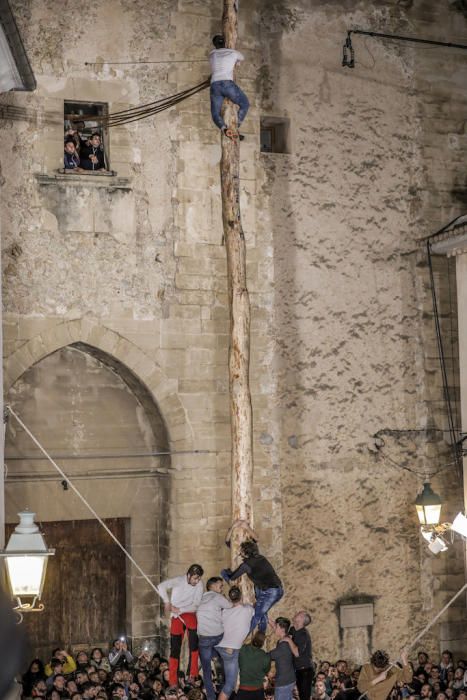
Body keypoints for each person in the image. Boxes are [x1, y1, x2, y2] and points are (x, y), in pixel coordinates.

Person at [221, 521, 283, 632]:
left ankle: (241, 637)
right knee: (261, 612)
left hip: (272, 590)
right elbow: (227, 541)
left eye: (241, 552)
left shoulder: (247, 565)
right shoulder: (258, 556)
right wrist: (233, 527)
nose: (239, 553)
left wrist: (247, 527)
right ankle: (261, 634)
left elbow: (233, 577)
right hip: (265, 588)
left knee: (257, 614)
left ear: (245, 553)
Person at [157, 563, 204, 686]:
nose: (197, 581)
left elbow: (196, 604)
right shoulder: (178, 581)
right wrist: (167, 602)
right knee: (175, 649)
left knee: (194, 645)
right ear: (188, 575)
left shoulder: (199, 584)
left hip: (189, 613)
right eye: (195, 578)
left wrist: (180, 610)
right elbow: (161, 586)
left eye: (198, 578)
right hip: (176, 616)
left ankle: (192, 674)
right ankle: (173, 680)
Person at [215, 586, 254, 700]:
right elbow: (252, 610)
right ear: (241, 597)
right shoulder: (247, 609)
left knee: (223, 678)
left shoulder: (224, 611)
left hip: (218, 646)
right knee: (229, 685)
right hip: (230, 651)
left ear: (229, 598)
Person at [197, 576, 232, 700]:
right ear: (212, 586)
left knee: (206, 670)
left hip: (204, 639)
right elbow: (230, 606)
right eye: (220, 585)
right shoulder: (217, 597)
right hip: (217, 637)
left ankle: (211, 697)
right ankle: (224, 691)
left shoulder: (199, 598)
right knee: (223, 662)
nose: (222, 588)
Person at [209, 34, 249, 140]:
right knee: (245, 104)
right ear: (225, 43)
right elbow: (242, 58)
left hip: (215, 84)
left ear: (214, 45)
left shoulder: (212, 55)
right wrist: (237, 61)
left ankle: (224, 129)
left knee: (215, 113)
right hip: (227, 84)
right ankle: (235, 127)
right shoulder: (233, 53)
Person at [268, 617, 298, 700]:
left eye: (276, 627)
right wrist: (265, 616)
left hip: (284, 682)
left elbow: (271, 655)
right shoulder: (285, 637)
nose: (274, 628)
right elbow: (274, 626)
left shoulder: (284, 644)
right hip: (289, 679)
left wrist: (257, 654)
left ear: (282, 629)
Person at [237, 631, 271, 700]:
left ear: (253, 639)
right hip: (258, 691)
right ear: (262, 643)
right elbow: (266, 671)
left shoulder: (243, 649)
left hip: (243, 690)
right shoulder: (265, 656)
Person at [289, 611, 314, 700]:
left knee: (304, 697)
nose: (296, 613)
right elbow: (281, 633)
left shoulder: (303, 634)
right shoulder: (294, 629)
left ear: (302, 620)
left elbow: (297, 653)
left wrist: (288, 640)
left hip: (305, 671)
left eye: (299, 613)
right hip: (298, 670)